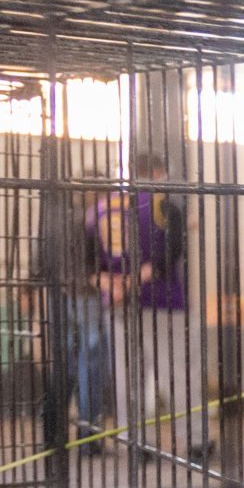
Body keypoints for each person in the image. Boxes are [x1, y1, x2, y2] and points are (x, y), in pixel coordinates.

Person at [90, 152, 203, 461]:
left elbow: (87, 257)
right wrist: (138, 277)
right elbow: (173, 250)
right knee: (178, 372)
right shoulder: (162, 203)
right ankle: (195, 440)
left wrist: (112, 283)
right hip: (164, 301)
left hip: (118, 305)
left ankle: (136, 442)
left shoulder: (102, 208)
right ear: (158, 172)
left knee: (129, 375)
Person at [33, 183, 112, 450]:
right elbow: (98, 262)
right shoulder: (91, 220)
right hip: (87, 295)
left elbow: (40, 260)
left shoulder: (54, 220)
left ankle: (53, 434)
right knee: (89, 365)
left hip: (59, 295)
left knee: (64, 363)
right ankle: (89, 439)